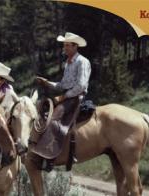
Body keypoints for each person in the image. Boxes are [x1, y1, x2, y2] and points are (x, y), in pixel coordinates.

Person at [34, 32, 91, 167]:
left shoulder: (82, 61)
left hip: (76, 97)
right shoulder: (68, 63)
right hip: (67, 95)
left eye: (67, 45)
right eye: (64, 45)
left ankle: (51, 156)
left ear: (75, 46)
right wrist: (47, 82)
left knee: (54, 119)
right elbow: (62, 85)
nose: (64, 48)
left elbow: (81, 85)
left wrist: (64, 96)